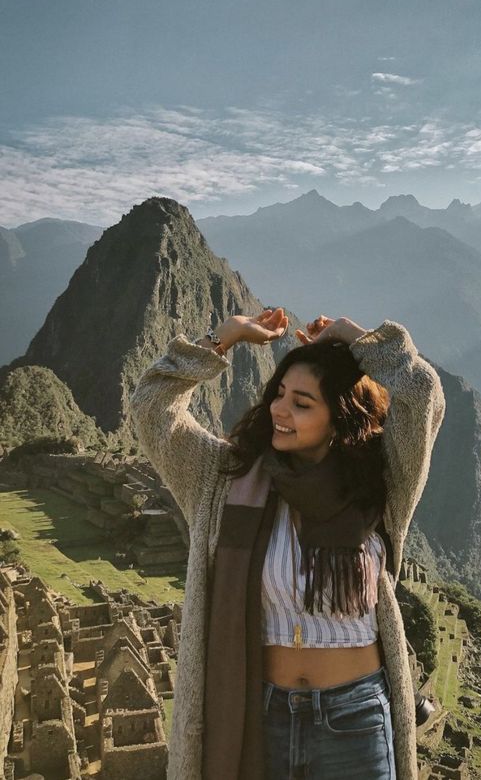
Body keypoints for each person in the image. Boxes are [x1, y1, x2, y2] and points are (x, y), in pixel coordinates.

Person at [130, 308, 445, 780]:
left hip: (355, 719)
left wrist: (359, 341)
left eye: (302, 403)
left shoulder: (380, 487)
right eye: (279, 394)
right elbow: (152, 408)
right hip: (261, 718)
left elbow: (422, 393)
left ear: (338, 417)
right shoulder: (223, 479)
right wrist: (224, 337)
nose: (279, 409)